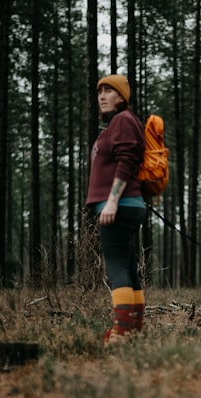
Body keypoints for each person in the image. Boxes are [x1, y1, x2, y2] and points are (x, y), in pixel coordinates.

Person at [86, 74, 147, 343]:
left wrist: (111, 200)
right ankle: (133, 330)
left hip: (118, 205)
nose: (102, 96)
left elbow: (127, 159)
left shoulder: (122, 120)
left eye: (109, 91)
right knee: (129, 268)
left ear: (122, 97)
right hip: (126, 204)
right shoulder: (116, 124)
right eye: (100, 91)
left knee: (117, 267)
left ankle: (122, 334)